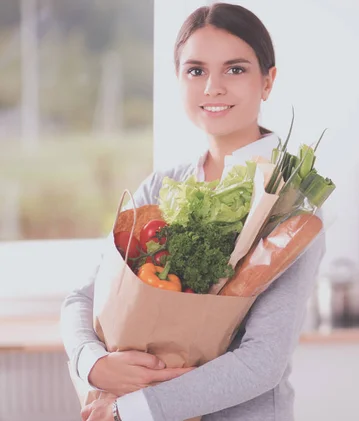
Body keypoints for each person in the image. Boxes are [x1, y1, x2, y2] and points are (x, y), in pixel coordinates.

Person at [60, 3, 326, 421]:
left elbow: (261, 363)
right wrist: (92, 363)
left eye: (235, 70)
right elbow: (83, 297)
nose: (212, 87)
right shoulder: (160, 187)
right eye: (196, 70)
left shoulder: (291, 205)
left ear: (267, 81)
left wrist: (129, 410)